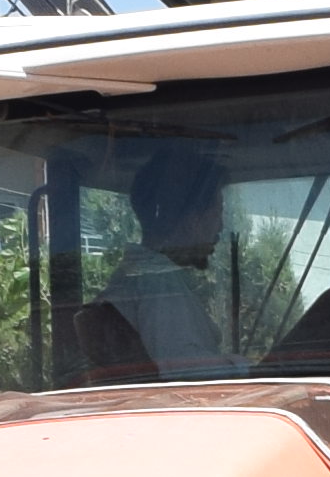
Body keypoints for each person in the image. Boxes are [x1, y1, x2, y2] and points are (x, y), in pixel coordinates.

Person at [64, 146, 230, 382]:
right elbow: (187, 375)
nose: (220, 227)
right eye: (217, 213)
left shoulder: (135, 281)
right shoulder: (159, 286)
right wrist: (255, 370)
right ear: (189, 218)